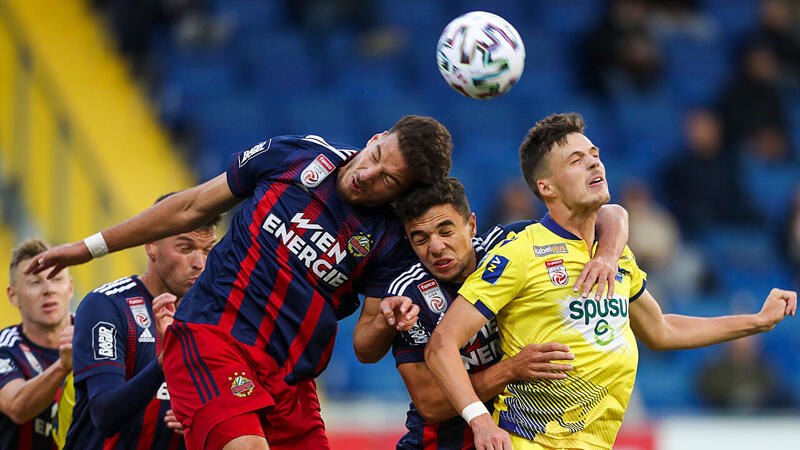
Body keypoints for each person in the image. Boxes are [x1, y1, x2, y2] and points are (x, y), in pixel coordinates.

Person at [26, 115, 452, 450]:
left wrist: (386, 322)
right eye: (376, 155)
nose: (368, 174)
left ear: (401, 192)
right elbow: (190, 206)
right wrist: (88, 248)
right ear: (378, 136)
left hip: (288, 381)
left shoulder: (389, 238)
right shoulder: (294, 157)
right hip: (212, 341)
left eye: (388, 179)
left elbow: (364, 345)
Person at [424, 112, 797, 450]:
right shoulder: (521, 253)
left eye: (594, 155)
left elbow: (662, 329)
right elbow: (442, 345)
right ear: (546, 187)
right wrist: (482, 422)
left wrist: (757, 321)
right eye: (576, 160)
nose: (593, 163)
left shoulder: (616, 253)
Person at [359, 177, 629, 449]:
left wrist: (606, 255)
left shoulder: (511, 245)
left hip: (516, 435)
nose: (436, 247)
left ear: (472, 225)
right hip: (443, 443)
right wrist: (510, 370)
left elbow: (610, 213)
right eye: (421, 239)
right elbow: (431, 404)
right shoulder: (410, 296)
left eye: (446, 231)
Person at [62, 193, 220, 449]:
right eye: (186, 248)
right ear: (151, 245)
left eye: (208, 250)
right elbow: (104, 414)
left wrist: (206, 418)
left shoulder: (217, 320)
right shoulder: (106, 305)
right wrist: (164, 361)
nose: (199, 263)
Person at [0, 238, 74, 449]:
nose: (48, 290)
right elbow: (17, 407)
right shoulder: (5, 349)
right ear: (13, 296)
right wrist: (63, 366)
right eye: (35, 282)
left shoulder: (95, 332)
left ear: (69, 288)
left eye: (57, 279)